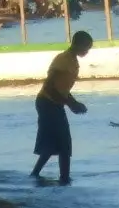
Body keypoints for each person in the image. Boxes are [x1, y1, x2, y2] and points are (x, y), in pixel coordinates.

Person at [31, 30, 93, 185]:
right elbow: (50, 87)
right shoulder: (63, 60)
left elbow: (63, 89)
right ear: (78, 45)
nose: (87, 51)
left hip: (55, 103)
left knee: (52, 144)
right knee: (64, 143)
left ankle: (35, 175)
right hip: (47, 103)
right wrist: (71, 104)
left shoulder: (73, 62)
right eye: (87, 48)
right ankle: (64, 179)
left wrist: (74, 102)